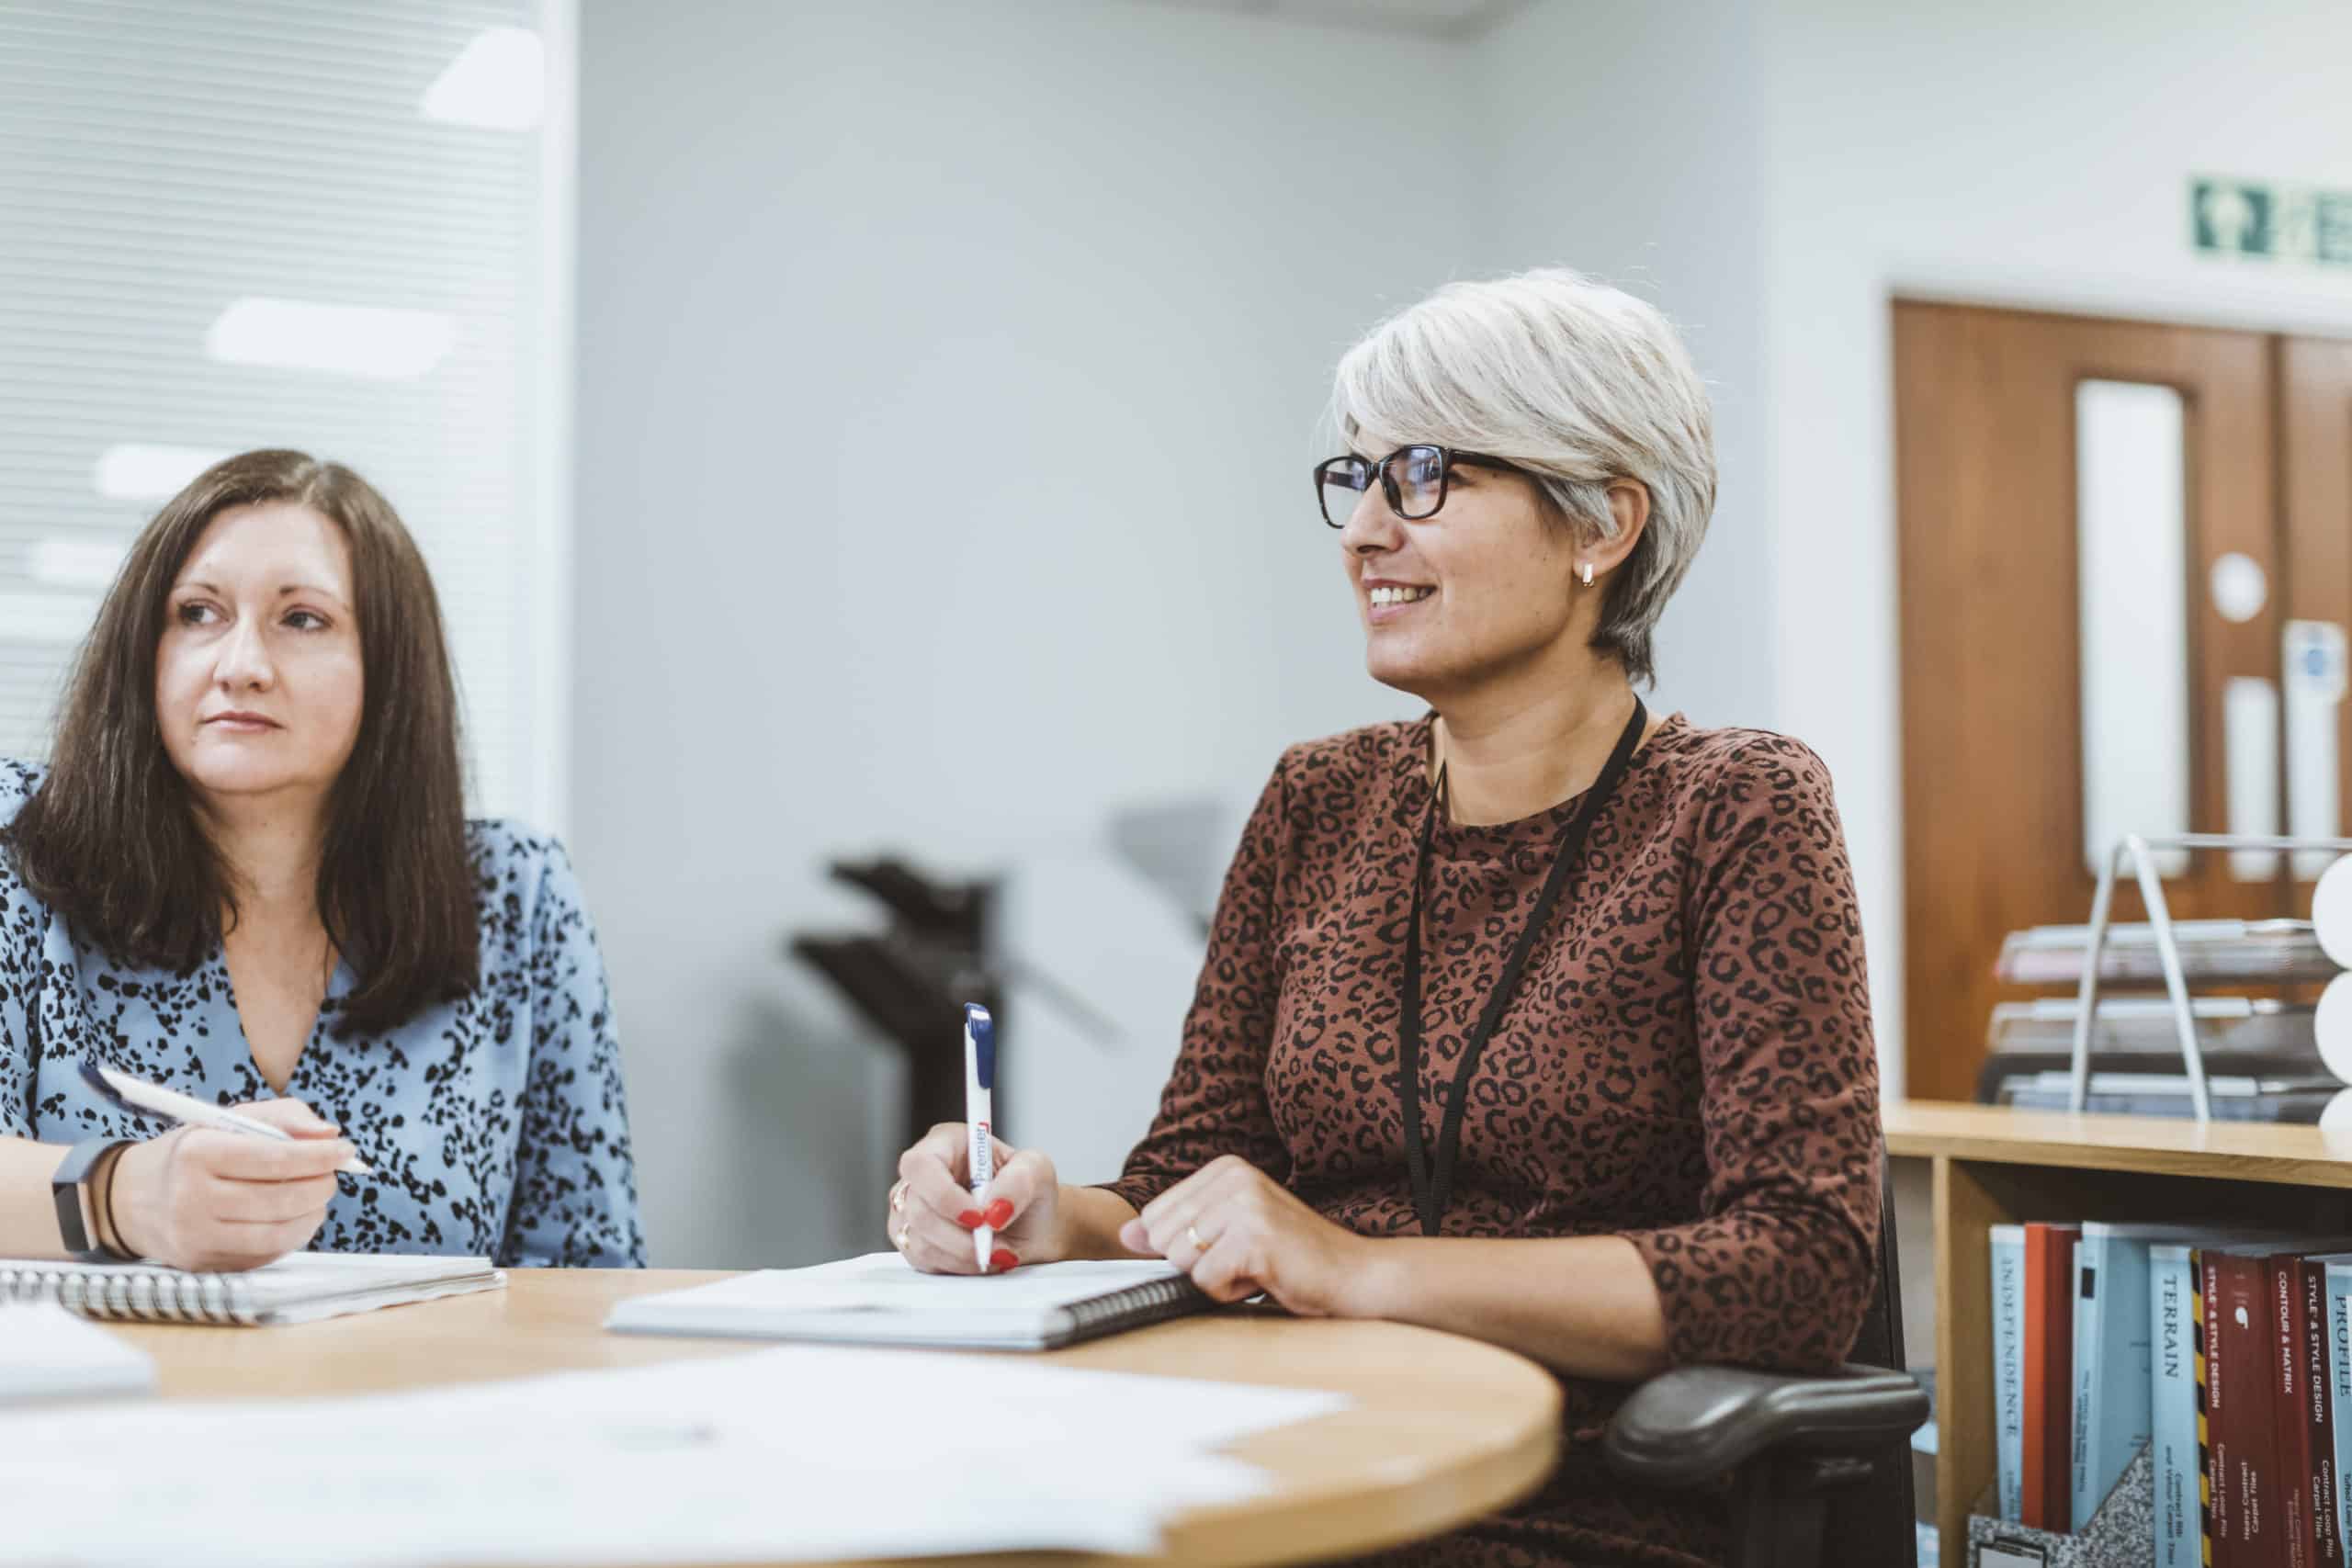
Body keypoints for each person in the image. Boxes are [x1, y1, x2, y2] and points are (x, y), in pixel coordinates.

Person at [888, 269, 1882, 1568]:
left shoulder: (1736, 806)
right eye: (1353, 479)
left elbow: (1795, 1267)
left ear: (1602, 524)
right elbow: (1190, 1171)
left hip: (1565, 1502)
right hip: (1268, 1447)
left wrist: (1355, 1268)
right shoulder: (1319, 799)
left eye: (1423, 475)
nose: (1364, 528)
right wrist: (1039, 1217)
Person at [0, 449, 642, 1272]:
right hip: (106, 1397)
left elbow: (591, 1266)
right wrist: (119, 1193)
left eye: (302, 619)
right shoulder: (24, 842)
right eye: (197, 612)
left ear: (389, 669)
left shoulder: (516, 895)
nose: (241, 666)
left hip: (422, 1397)